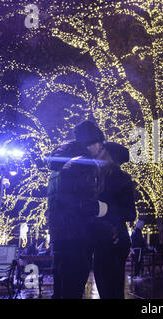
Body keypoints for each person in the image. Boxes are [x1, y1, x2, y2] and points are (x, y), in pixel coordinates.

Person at [46, 120, 107, 299]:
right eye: (100, 144)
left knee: (61, 288)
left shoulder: (61, 164)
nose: (101, 149)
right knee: (73, 287)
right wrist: (101, 209)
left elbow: (61, 199)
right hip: (77, 235)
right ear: (92, 142)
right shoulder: (84, 163)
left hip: (60, 234)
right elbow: (80, 202)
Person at [90, 141, 136, 299]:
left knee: (112, 290)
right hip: (102, 239)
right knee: (106, 288)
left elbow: (130, 214)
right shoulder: (97, 177)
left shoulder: (120, 178)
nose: (98, 151)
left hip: (115, 240)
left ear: (109, 155)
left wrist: (104, 209)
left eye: (102, 149)